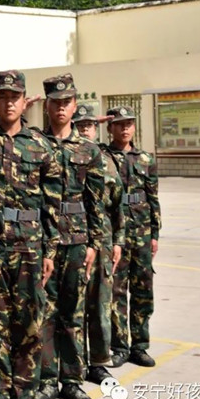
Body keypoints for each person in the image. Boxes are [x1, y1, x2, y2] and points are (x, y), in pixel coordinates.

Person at [0, 70, 60, 399]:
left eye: (14, 96)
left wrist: (50, 250)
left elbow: (52, 201)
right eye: (2, 96)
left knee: (30, 323)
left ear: (24, 100)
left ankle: (24, 398)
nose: (8, 102)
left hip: (30, 245)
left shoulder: (39, 145)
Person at [36, 74, 105, 399]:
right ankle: (48, 379)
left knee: (73, 312)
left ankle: (73, 379)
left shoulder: (89, 150)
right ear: (46, 106)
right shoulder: (35, 145)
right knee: (45, 312)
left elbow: (96, 200)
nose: (61, 108)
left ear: (75, 106)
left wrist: (94, 244)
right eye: (55, 102)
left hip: (77, 240)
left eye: (66, 102)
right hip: (43, 242)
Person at [72, 105, 125, 384]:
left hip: (102, 238)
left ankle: (99, 361)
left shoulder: (106, 161)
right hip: (74, 236)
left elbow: (117, 204)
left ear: (96, 128)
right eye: (79, 124)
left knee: (100, 302)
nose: (84, 129)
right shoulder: (64, 154)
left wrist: (118, 241)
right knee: (73, 305)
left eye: (89, 125)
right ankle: (74, 363)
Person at [105, 106, 161, 368]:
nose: (125, 128)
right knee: (116, 291)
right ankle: (119, 346)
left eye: (128, 123)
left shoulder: (145, 159)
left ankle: (140, 345)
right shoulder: (103, 157)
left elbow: (153, 198)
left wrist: (155, 234)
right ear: (110, 128)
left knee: (142, 290)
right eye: (119, 124)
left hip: (141, 233)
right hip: (115, 233)